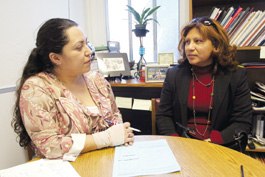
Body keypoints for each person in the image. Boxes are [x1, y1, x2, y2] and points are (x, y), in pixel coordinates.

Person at [12, 18, 134, 161]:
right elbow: (51, 146)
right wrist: (107, 138)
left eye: (87, 43)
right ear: (56, 58)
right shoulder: (36, 89)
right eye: (79, 47)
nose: (89, 51)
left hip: (106, 162)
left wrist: (121, 132)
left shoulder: (97, 80)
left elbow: (115, 116)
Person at [156, 17, 252, 150]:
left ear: (216, 45)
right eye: (187, 42)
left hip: (220, 147)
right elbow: (163, 116)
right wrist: (177, 143)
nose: (190, 47)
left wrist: (212, 141)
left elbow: (242, 122)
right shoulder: (173, 75)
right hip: (182, 146)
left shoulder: (236, 76)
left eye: (198, 41)